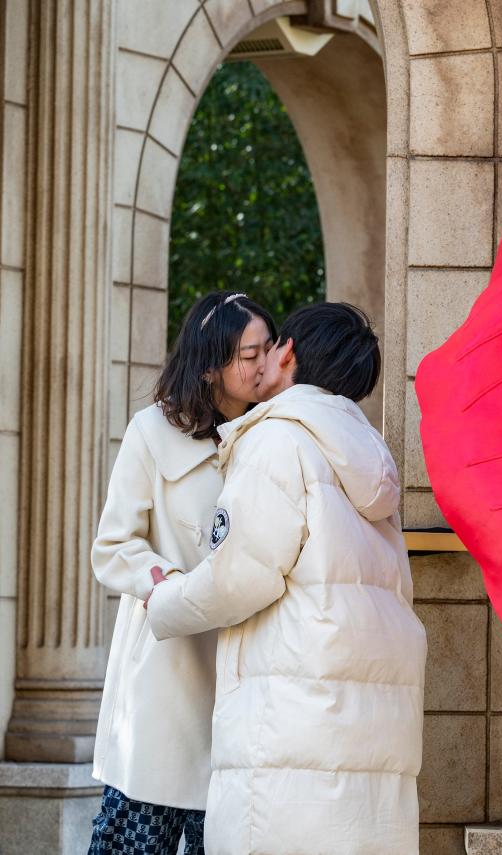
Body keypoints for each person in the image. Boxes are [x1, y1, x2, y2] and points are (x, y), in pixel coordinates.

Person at [145, 302, 427, 855]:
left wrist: (165, 600)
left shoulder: (279, 441)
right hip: (365, 740)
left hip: (290, 737)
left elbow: (238, 578)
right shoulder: (365, 457)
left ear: (288, 353)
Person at [90, 292, 276, 855]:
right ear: (209, 364)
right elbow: (113, 545)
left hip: (246, 678)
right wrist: (173, 584)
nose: (264, 363)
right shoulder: (151, 433)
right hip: (165, 677)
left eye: (270, 348)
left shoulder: (273, 433)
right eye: (250, 353)